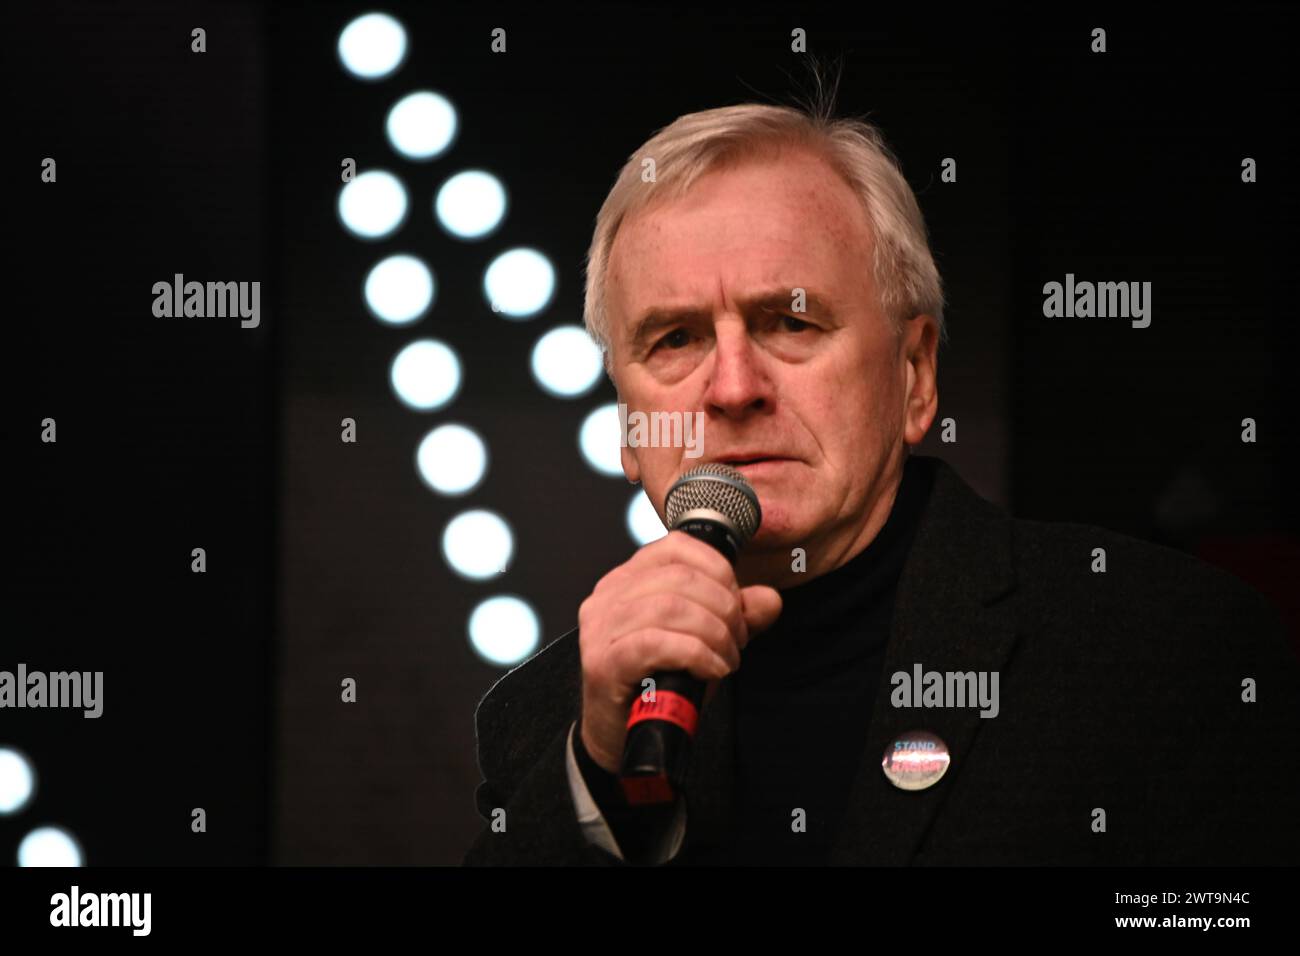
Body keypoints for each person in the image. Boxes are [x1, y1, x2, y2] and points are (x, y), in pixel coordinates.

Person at [462, 88, 1300, 867]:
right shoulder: (545, 724)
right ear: (628, 426)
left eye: (790, 321)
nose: (731, 387)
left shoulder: (1160, 650)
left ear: (915, 375)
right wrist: (604, 787)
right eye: (675, 339)